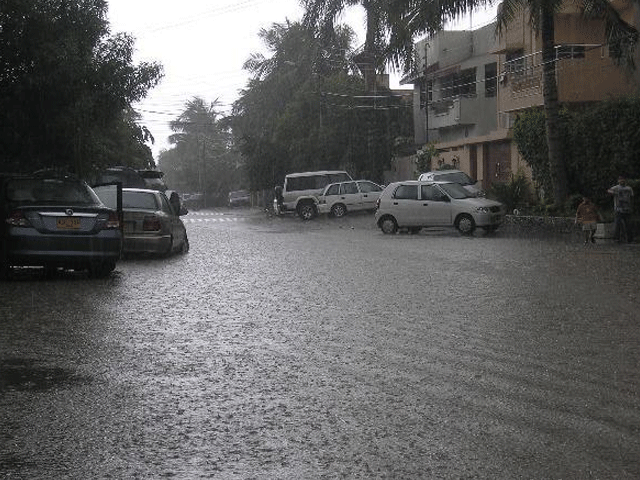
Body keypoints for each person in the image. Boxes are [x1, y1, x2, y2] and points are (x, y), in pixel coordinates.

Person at [607, 176, 634, 243]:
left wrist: (631, 207)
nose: (622, 181)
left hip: (627, 208)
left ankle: (629, 239)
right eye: (621, 180)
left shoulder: (629, 188)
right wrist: (614, 193)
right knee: (617, 224)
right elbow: (609, 191)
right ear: (618, 181)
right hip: (618, 209)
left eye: (623, 180)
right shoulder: (616, 187)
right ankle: (616, 238)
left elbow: (632, 197)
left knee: (628, 224)